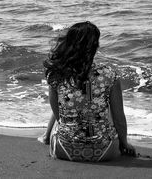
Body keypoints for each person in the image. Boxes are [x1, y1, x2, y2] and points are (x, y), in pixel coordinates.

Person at [39, 21, 136, 162]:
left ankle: (46, 137)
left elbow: (58, 116)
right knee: (102, 105)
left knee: (66, 103)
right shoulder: (109, 74)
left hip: (64, 149)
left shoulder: (56, 74)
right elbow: (119, 119)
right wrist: (124, 143)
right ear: (95, 46)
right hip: (104, 151)